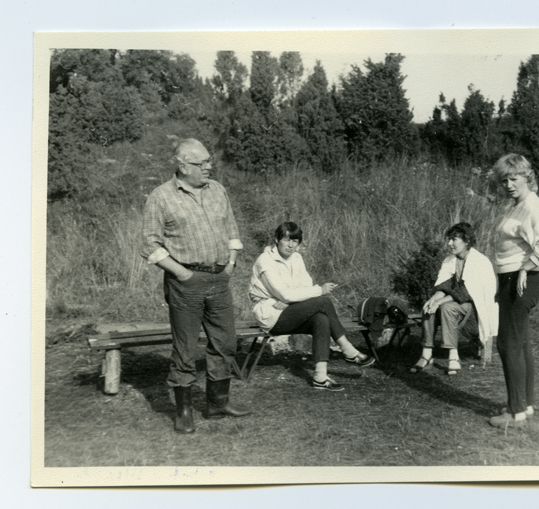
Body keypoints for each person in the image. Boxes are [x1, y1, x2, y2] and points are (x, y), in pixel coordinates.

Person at [141, 138, 251, 434]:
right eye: (201, 163)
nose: (208, 167)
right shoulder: (161, 196)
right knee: (185, 348)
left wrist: (230, 263)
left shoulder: (218, 190)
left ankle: (217, 403)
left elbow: (232, 228)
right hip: (186, 283)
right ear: (181, 165)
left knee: (225, 342)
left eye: (209, 162)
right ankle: (184, 410)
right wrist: (182, 273)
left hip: (219, 278)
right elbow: (148, 242)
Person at [249, 222, 375, 392]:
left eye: (295, 241)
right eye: (287, 240)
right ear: (277, 239)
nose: (291, 245)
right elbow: (288, 293)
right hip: (271, 314)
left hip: (290, 309)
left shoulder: (296, 258)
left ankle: (320, 377)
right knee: (322, 301)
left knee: (320, 319)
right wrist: (314, 291)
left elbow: (305, 286)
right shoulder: (265, 261)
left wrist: (291, 299)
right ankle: (348, 350)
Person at [489, 154, 539, 429]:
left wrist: (523, 269)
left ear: (527, 177)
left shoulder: (531, 207)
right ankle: (525, 405)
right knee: (520, 343)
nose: (508, 184)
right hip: (510, 280)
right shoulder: (516, 205)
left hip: (522, 281)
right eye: (504, 179)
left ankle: (515, 411)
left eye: (514, 178)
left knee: (508, 344)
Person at [410, 223, 498, 376]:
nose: (449, 243)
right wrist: (433, 300)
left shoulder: (480, 261)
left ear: (467, 241)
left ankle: (453, 356)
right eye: (449, 239)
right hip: (458, 305)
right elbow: (444, 285)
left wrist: (439, 302)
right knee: (428, 307)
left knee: (446, 307)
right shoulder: (450, 260)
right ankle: (426, 354)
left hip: (475, 311)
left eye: (454, 239)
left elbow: (466, 292)